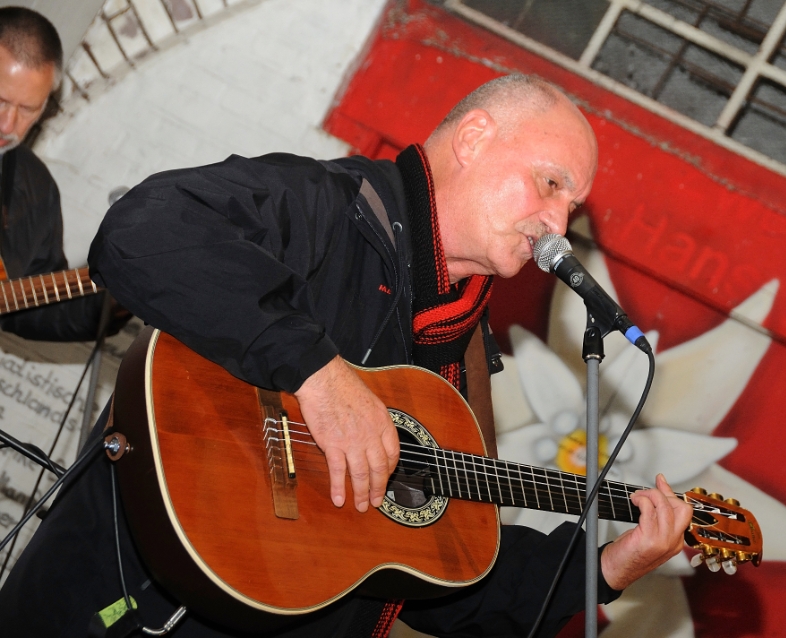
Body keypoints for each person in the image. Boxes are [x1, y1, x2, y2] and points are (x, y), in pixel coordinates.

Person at [0, 74, 692, 637]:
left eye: (572, 204)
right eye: (550, 184)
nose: (558, 222)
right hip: (114, 611)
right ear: (474, 138)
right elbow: (143, 230)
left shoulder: (463, 358)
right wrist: (317, 375)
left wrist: (608, 567)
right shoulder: (329, 207)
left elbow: (444, 577)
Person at [0, 7, 126, 342]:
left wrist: (115, 303)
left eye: (28, 109)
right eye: (0, 100)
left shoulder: (35, 189)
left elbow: (33, 307)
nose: (8, 124)